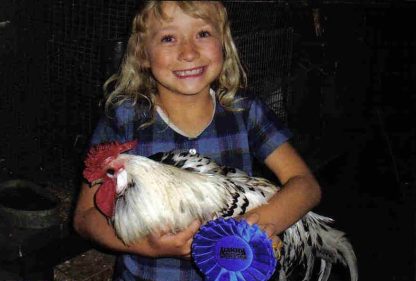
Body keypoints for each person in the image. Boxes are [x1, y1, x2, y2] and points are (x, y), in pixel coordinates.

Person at [73, 1, 321, 280]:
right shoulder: (124, 118)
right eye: (168, 38)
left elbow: (306, 185)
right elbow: (84, 217)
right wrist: (147, 246)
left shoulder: (244, 111)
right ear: (143, 54)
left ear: (224, 43)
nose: (188, 53)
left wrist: (253, 227)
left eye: (202, 34)